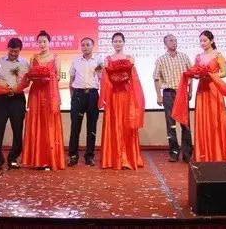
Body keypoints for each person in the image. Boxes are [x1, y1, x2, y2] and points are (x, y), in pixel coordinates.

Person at [172, 30, 226, 162]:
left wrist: (211, 75)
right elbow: (195, 73)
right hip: (202, 91)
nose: (202, 43)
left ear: (212, 41)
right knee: (203, 121)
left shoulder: (218, 55)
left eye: (205, 40)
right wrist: (196, 75)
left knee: (215, 121)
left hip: (214, 90)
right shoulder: (198, 57)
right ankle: (204, 154)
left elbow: (224, 73)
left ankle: (218, 154)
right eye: (200, 41)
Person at [18, 30, 65, 170]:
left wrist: (47, 77)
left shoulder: (56, 57)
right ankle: (37, 159)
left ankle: (50, 159)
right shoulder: (33, 57)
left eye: (44, 41)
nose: (42, 44)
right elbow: (30, 75)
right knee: (36, 122)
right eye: (39, 42)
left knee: (49, 123)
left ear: (49, 42)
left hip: (49, 93)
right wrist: (34, 77)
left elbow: (58, 76)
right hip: (36, 93)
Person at [100, 32, 145, 169]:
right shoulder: (107, 59)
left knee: (126, 125)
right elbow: (105, 79)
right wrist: (113, 80)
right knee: (114, 124)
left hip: (127, 95)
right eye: (115, 41)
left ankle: (128, 158)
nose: (117, 43)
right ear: (112, 43)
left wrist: (123, 78)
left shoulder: (130, 58)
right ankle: (113, 158)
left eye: (120, 41)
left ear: (124, 42)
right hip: (113, 96)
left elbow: (133, 78)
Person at [0, 38, 29, 170]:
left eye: (16, 51)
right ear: (8, 48)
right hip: (2, 98)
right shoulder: (0, 62)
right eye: (11, 51)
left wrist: (18, 87)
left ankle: (13, 158)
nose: (13, 54)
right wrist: (5, 87)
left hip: (17, 99)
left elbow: (27, 82)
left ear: (20, 50)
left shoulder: (25, 63)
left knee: (17, 129)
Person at [154, 34, 192, 163]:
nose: (174, 42)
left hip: (182, 93)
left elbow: (190, 75)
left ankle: (187, 154)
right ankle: (174, 153)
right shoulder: (161, 59)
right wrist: (158, 95)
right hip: (168, 93)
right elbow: (156, 78)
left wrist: (190, 91)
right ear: (165, 44)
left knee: (185, 124)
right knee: (171, 125)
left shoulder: (184, 57)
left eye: (175, 40)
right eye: (171, 41)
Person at [68, 37, 102, 167]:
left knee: (91, 127)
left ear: (93, 46)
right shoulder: (76, 61)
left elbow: (102, 78)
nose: (85, 47)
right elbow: (71, 79)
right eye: (83, 45)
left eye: (88, 45)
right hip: (78, 96)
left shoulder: (98, 61)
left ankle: (89, 156)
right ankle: (73, 156)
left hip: (93, 95)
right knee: (75, 127)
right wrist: (72, 97)